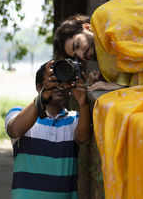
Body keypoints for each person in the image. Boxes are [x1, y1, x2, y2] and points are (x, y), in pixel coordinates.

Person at [5, 60, 91, 199]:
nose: (58, 85)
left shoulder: (74, 119)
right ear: (39, 86)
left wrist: (84, 103)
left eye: (61, 79)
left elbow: (83, 137)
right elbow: (15, 130)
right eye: (53, 79)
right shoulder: (18, 113)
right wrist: (44, 96)